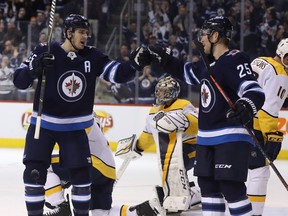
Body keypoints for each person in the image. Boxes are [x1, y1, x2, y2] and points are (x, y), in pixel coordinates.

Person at [13, 14, 147, 216]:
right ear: (69, 33)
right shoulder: (44, 50)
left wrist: (134, 65)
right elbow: (19, 81)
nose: (85, 36)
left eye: (87, 32)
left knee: (82, 178)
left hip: (75, 128)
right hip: (43, 124)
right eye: (81, 32)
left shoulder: (93, 56)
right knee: (33, 174)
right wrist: (35, 67)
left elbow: (118, 74)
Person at [133, 16, 266, 215]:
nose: (201, 39)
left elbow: (254, 91)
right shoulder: (206, 65)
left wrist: (246, 104)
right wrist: (160, 54)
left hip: (230, 137)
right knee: (208, 188)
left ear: (215, 36)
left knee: (231, 188)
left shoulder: (234, 59)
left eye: (204, 34)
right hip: (206, 139)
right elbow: (183, 71)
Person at [116, 76, 201, 215]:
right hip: (170, 150)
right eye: (160, 91)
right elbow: (149, 134)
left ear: (174, 93)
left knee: (177, 162)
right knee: (167, 166)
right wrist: (137, 146)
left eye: (166, 92)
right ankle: (188, 193)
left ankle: (183, 194)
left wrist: (184, 120)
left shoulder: (183, 104)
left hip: (192, 148)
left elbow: (197, 124)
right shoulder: (154, 111)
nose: (162, 94)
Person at [44, 114, 117, 216]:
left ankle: (60, 206)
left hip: (91, 163)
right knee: (101, 213)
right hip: (108, 171)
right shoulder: (88, 114)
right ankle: (139, 211)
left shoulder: (80, 113)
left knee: (43, 164)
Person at [247, 38, 288, 215]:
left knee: (231, 169)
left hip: (236, 120)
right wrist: (270, 134)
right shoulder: (280, 75)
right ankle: (255, 213)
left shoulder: (260, 60)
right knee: (259, 171)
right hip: (255, 126)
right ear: (281, 54)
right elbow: (268, 109)